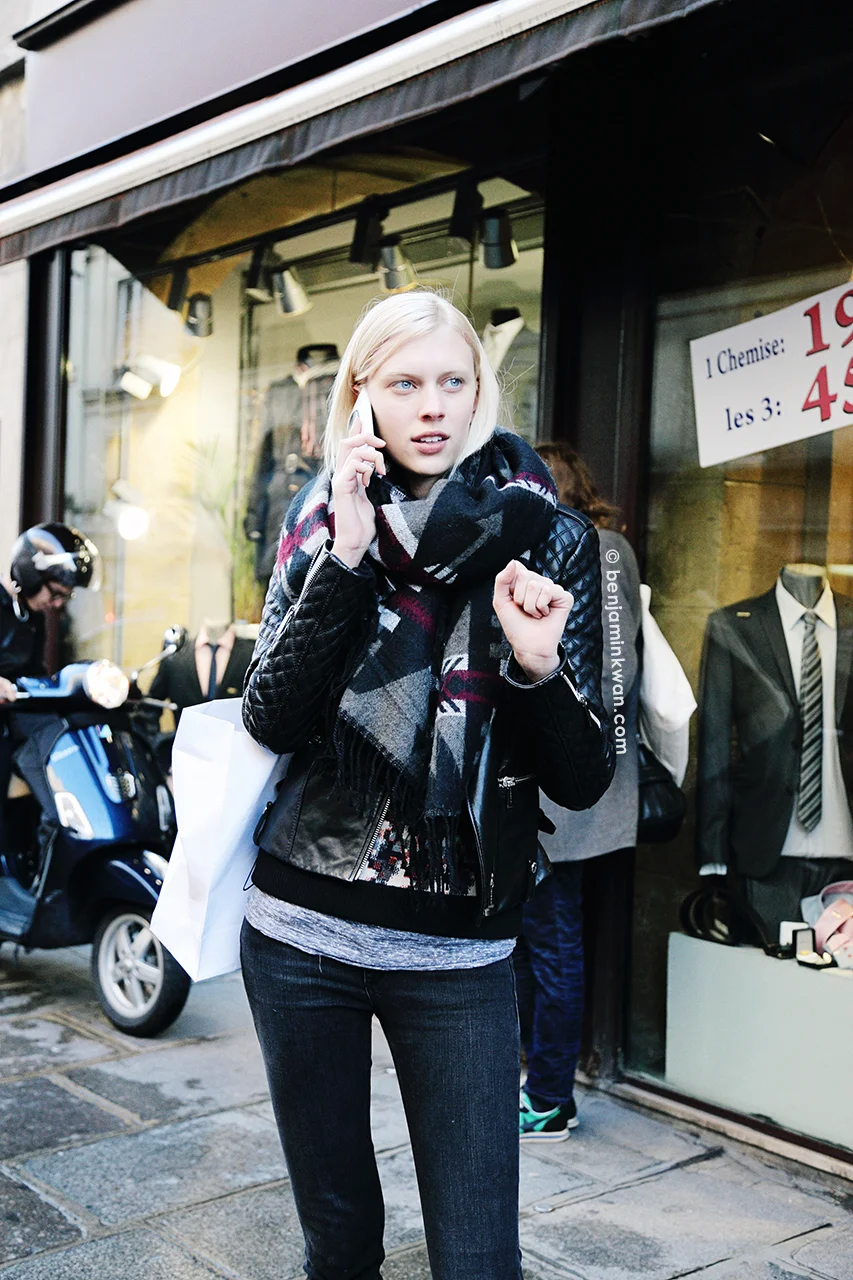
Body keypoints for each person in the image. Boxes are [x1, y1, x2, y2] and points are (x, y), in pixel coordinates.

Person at [240, 290, 614, 1280]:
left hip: (459, 951)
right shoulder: (323, 521)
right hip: (299, 934)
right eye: (404, 382)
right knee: (340, 1240)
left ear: (482, 391)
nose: (432, 404)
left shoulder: (552, 536)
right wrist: (350, 556)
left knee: (479, 1253)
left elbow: (582, 780)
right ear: (361, 396)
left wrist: (535, 666)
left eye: (453, 380)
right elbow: (269, 716)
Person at [514, 444, 641, 1142]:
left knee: (552, 941)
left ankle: (551, 1095)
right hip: (565, 783)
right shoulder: (595, 547)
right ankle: (539, 1077)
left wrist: (572, 745)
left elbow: (607, 669)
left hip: (569, 786)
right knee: (540, 941)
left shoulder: (592, 549)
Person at [0, 523, 101, 839]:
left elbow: (37, 674)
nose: (58, 604)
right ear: (30, 576)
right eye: (55, 593)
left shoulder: (32, 618)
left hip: (15, 720)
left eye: (65, 596)